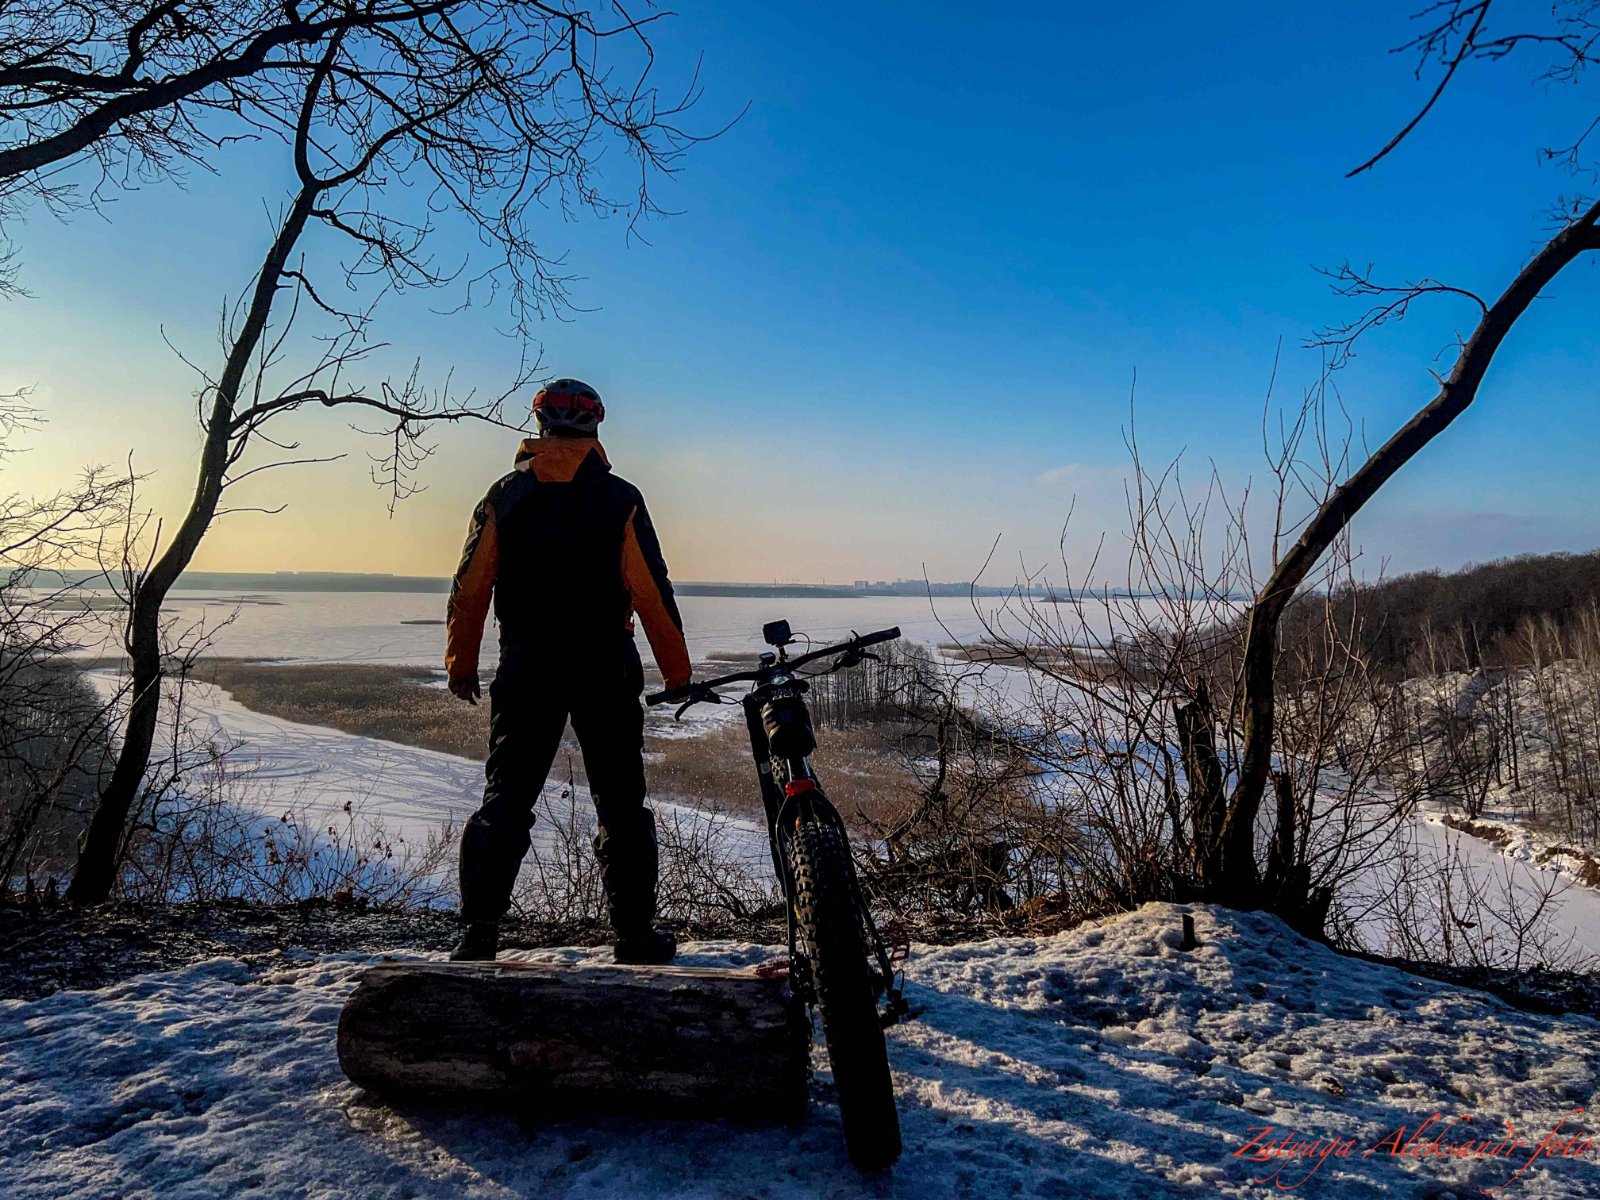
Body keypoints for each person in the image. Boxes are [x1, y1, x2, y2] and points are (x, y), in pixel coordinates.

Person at [443, 378, 692, 964]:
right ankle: (634, 937)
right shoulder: (619, 498)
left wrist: (461, 662)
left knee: (506, 798)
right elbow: (651, 589)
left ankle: (478, 935)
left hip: (527, 665)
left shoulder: (505, 496)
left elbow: (470, 588)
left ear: (539, 424)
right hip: (605, 664)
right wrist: (676, 672)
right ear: (597, 424)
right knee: (622, 802)